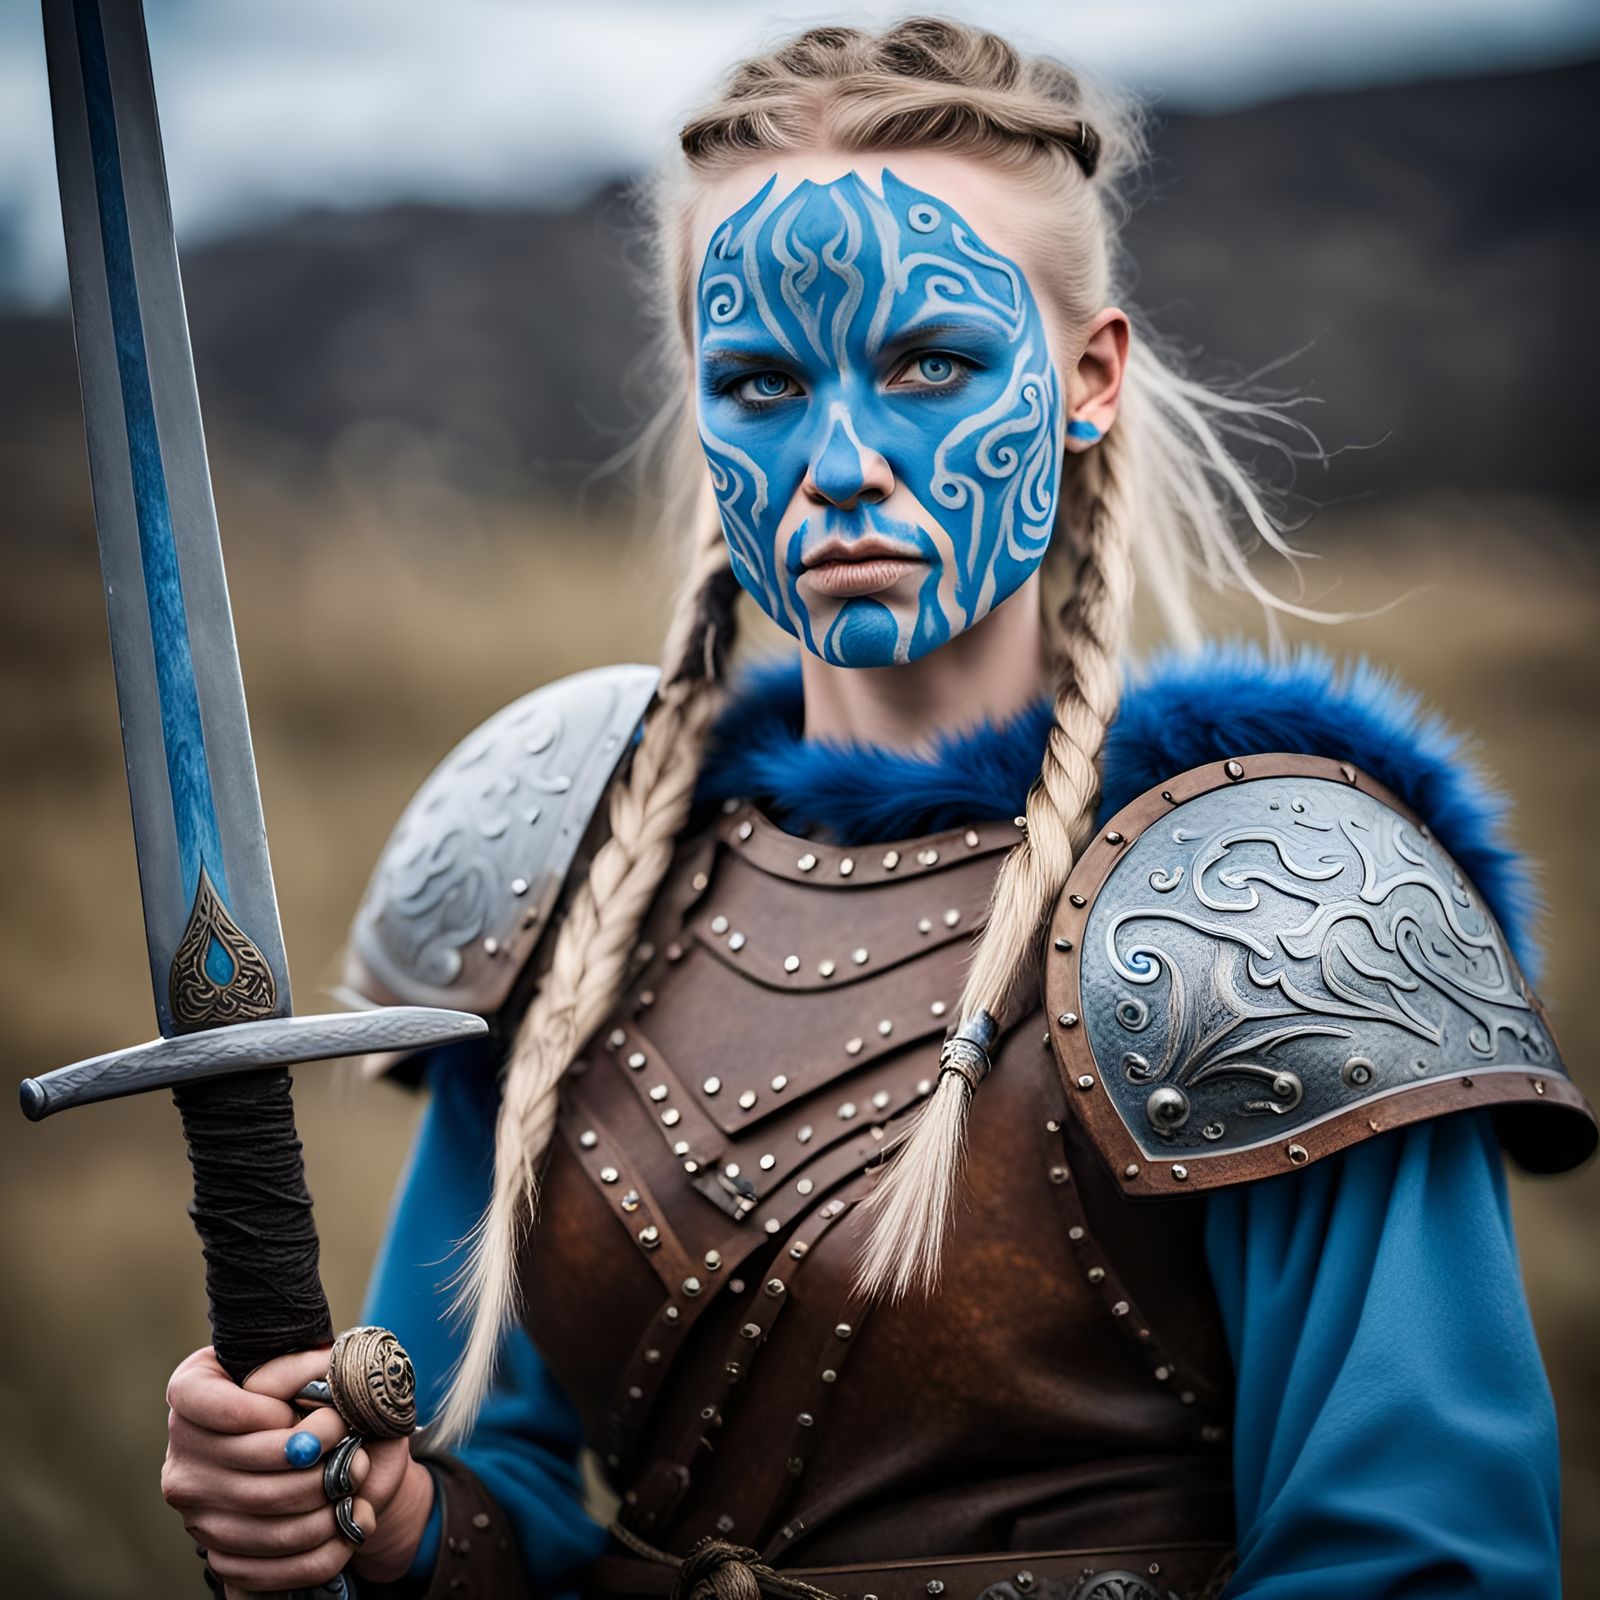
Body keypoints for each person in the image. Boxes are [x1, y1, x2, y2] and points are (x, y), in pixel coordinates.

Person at [158, 20, 1595, 1600]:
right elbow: (482, 1485)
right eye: (764, 380)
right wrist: (364, 1517)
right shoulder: (568, 868)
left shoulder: (1276, 908)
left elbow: (1418, 1565)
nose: (839, 460)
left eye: (930, 362)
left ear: (1087, 377)